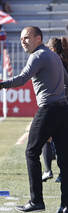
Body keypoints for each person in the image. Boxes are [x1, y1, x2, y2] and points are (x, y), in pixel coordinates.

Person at [0, 26, 68, 213]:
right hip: (63, 110)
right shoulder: (53, 55)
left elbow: (22, 79)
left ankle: (36, 201)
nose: (23, 41)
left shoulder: (37, 56)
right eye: (21, 38)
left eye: (26, 38)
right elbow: (67, 81)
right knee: (64, 158)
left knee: (31, 152)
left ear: (39, 38)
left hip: (48, 109)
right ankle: (66, 203)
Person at [41, 36, 68, 184]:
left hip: (58, 104)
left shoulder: (56, 63)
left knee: (47, 137)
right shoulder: (63, 61)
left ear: (52, 49)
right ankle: (60, 174)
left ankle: (48, 170)